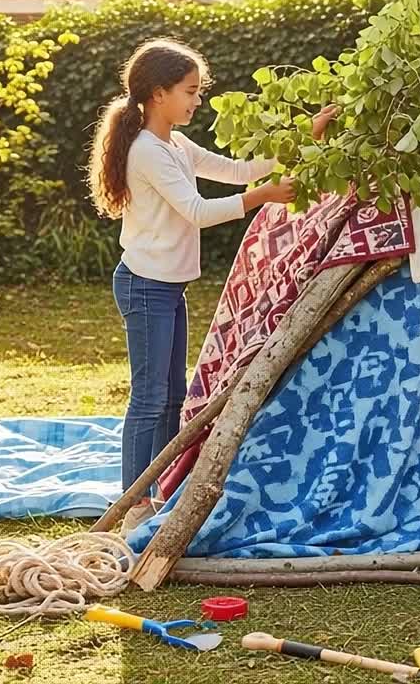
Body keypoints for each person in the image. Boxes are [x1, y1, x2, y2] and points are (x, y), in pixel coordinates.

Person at [88, 38, 336, 523]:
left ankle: (155, 486)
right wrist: (262, 196)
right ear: (158, 94)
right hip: (145, 286)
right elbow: (198, 211)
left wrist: (307, 134)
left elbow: (236, 169)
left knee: (174, 395)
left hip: (167, 286)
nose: (197, 100)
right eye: (191, 91)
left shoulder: (175, 144)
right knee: (150, 395)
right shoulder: (147, 152)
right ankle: (134, 502)